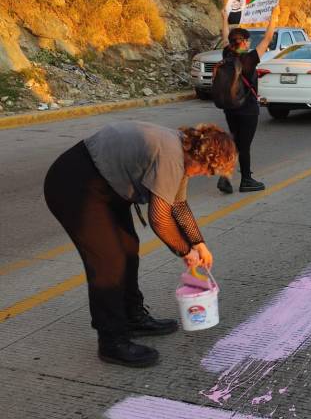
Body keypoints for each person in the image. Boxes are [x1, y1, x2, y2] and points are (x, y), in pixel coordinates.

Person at [44, 121, 237, 367]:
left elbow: (178, 205)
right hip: (75, 184)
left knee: (127, 250)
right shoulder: (172, 158)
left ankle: (132, 317)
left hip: (107, 185)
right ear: (201, 156)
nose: (205, 175)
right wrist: (185, 251)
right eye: (208, 170)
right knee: (108, 262)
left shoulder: (183, 151)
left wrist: (199, 243)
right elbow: (159, 219)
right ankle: (112, 340)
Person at [216, 6, 280, 194]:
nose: (249, 43)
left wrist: (224, 19)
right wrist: (273, 18)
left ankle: (226, 177)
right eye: (247, 41)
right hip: (247, 110)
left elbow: (225, 36)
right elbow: (268, 39)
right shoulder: (250, 59)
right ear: (243, 42)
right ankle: (245, 180)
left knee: (235, 141)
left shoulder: (227, 54)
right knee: (243, 145)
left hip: (230, 108)